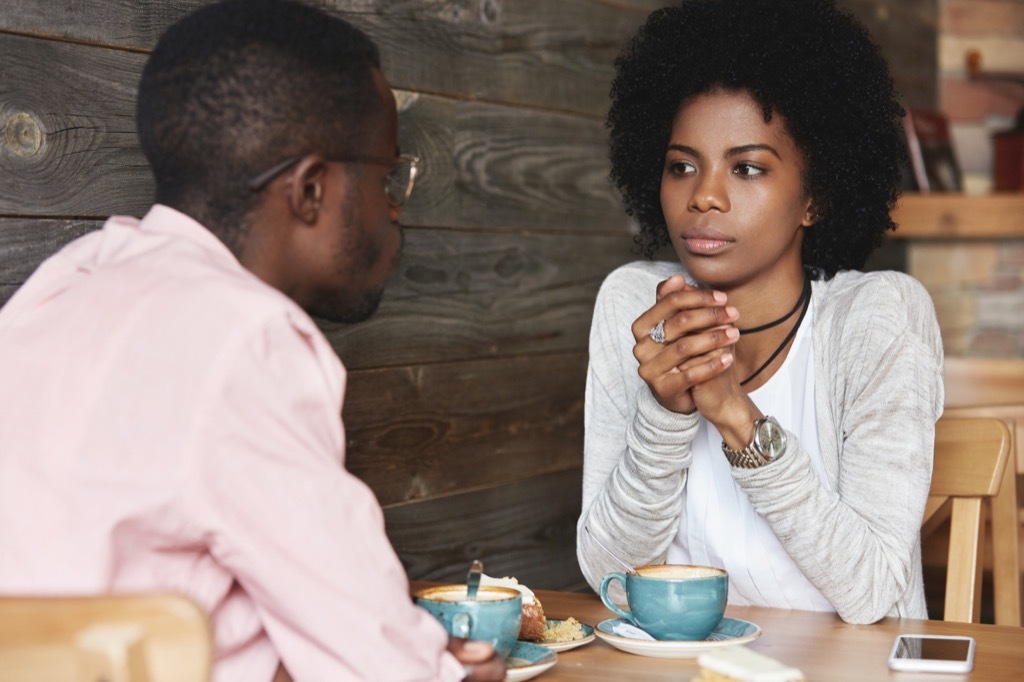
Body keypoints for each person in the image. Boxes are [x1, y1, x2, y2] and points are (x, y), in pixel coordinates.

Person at [0, 1, 504, 680]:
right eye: (387, 176)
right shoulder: (245, 337)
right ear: (310, 190)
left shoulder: (61, 286)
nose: (394, 207)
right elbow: (381, 663)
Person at [577, 0, 944, 624]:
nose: (705, 196)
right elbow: (609, 576)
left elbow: (873, 591)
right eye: (681, 166)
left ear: (814, 197)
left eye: (747, 168)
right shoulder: (634, 309)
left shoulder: (879, 317)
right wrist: (666, 415)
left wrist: (736, 415)